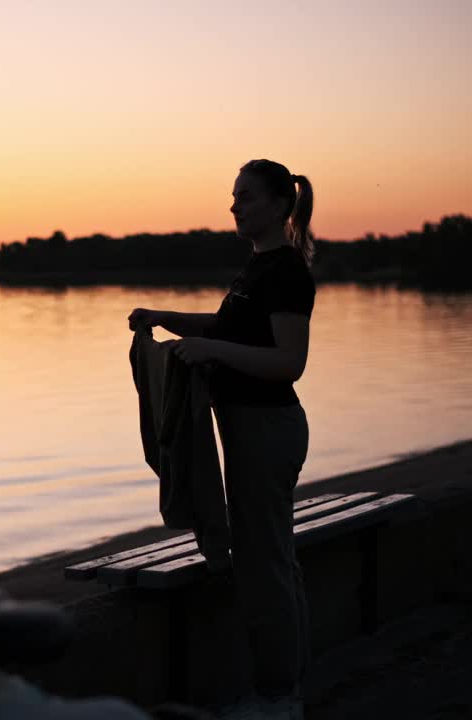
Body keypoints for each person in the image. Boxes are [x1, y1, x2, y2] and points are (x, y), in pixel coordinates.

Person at [127, 159, 315, 719]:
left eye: (247, 197)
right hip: (249, 429)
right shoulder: (257, 268)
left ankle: (278, 699)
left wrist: (212, 352)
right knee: (273, 559)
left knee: (264, 566)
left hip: (268, 430)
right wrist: (168, 318)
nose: (235, 206)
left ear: (281, 205)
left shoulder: (286, 273)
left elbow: (290, 362)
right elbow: (224, 328)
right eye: (233, 197)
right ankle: (288, 688)